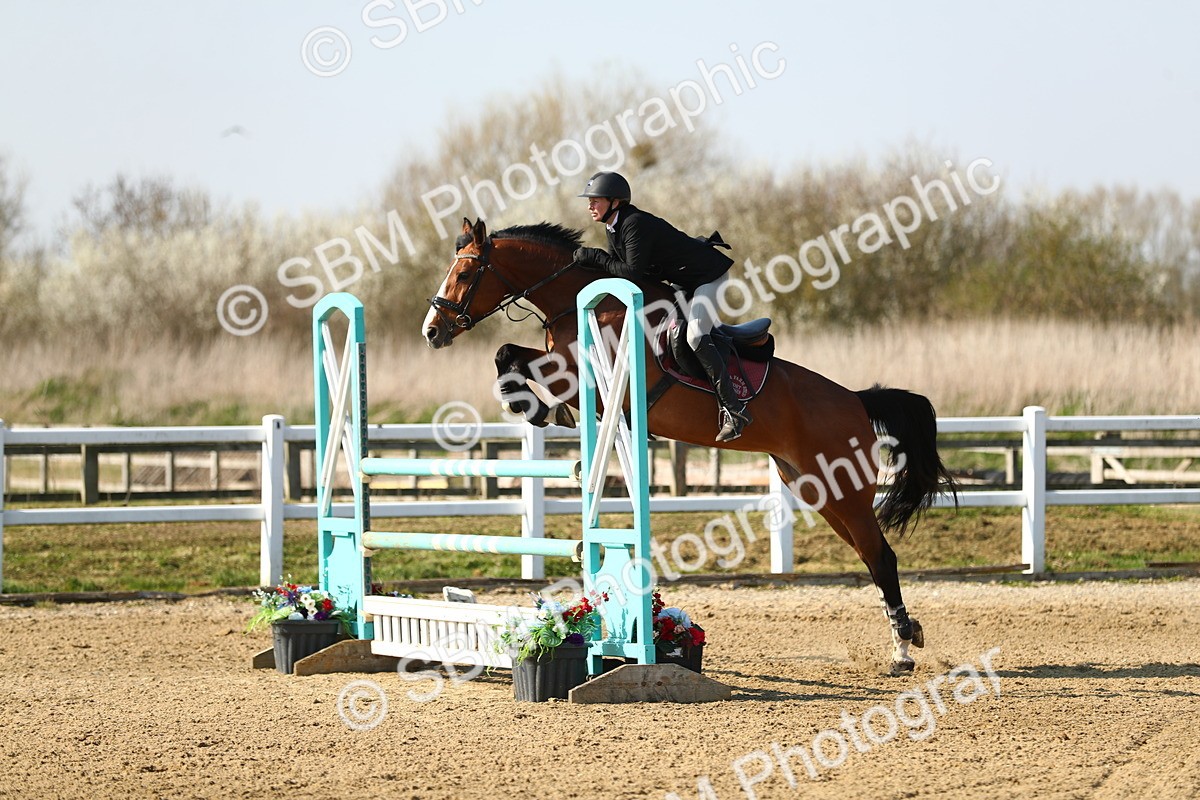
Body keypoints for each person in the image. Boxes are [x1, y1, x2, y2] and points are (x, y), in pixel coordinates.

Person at [571, 171, 752, 442]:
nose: (590, 206)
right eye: (590, 201)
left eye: (596, 200)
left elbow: (631, 272)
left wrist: (596, 257)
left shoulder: (634, 224)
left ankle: (733, 409)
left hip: (707, 277)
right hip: (682, 283)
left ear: (615, 202)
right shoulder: (613, 227)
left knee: (695, 335)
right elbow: (616, 269)